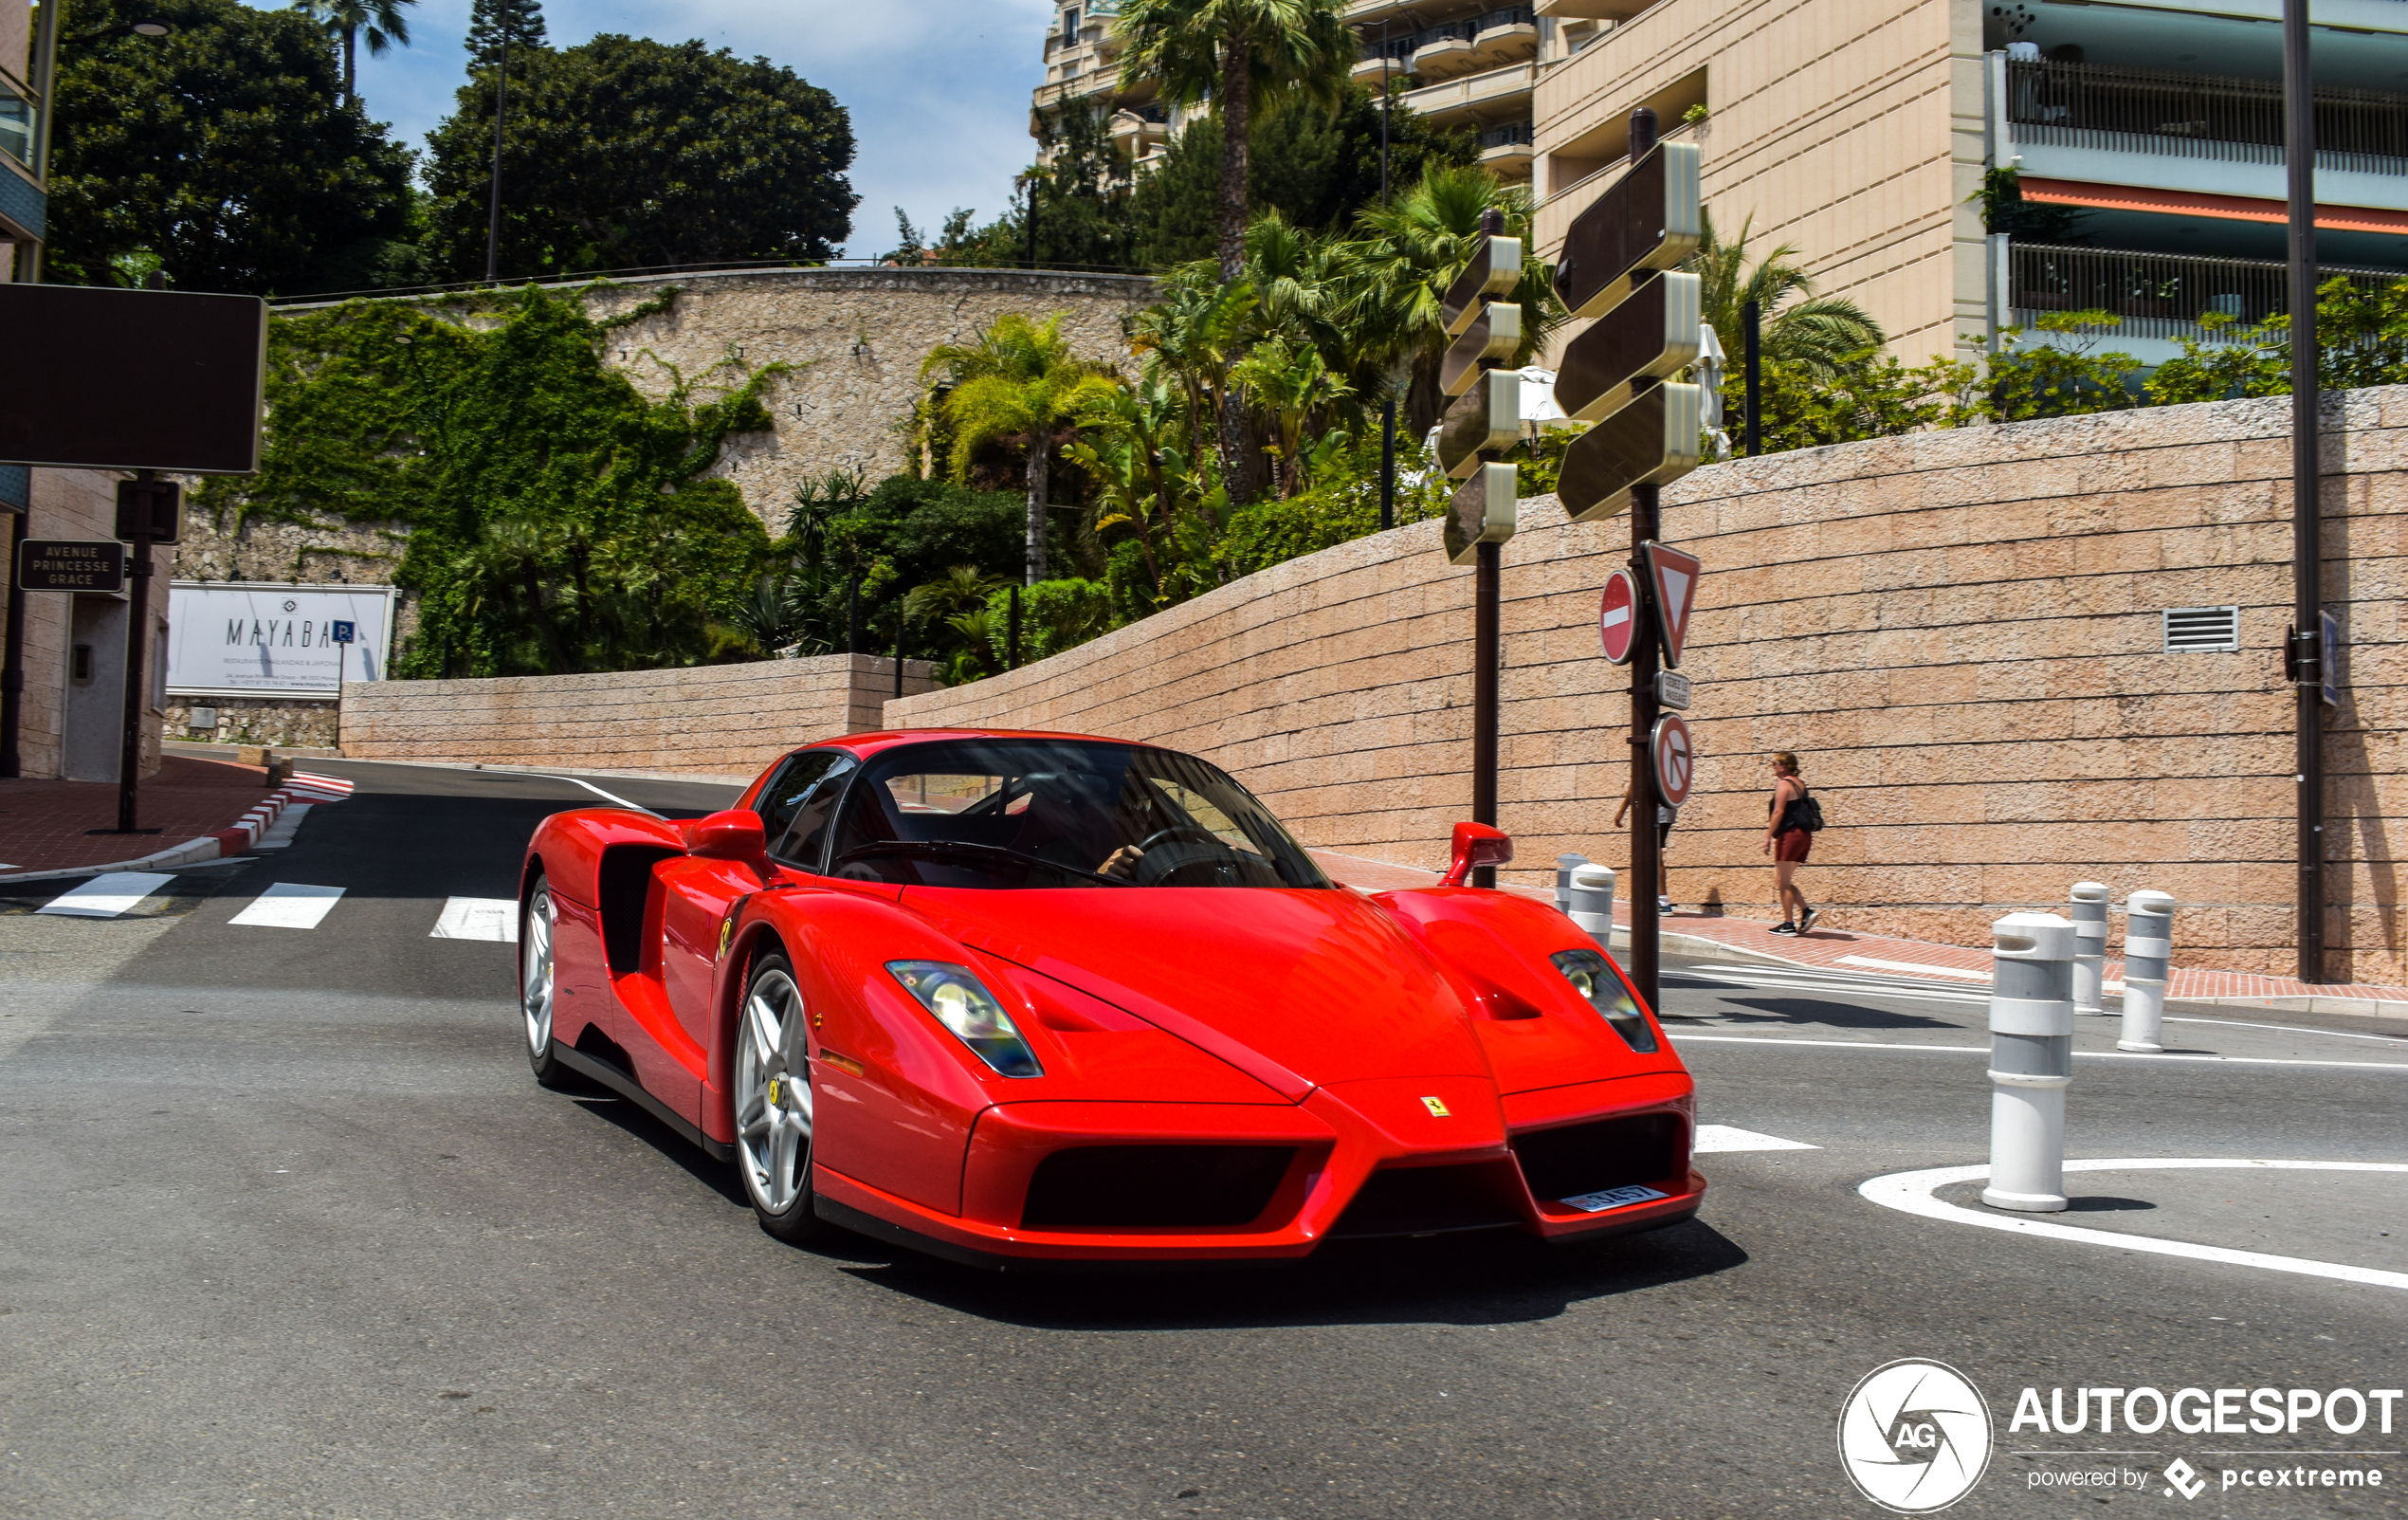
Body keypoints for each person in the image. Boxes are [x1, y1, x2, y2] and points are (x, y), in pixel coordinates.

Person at [1762, 751, 1815, 935]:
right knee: (1784, 880)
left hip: (1790, 836)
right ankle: (1807, 911)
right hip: (1804, 836)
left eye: (1775, 764)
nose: (1773, 767)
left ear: (1783, 766)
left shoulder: (1783, 784)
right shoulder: (1800, 784)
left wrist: (1768, 836)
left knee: (1783, 883)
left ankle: (1788, 924)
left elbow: (1778, 812)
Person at [1614, 779, 1675, 914]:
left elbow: (1634, 786)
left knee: (1655, 854)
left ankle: (1663, 902)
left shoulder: (1646, 758)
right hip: (1667, 810)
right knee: (1652, 853)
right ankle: (1656, 898)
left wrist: (1621, 811)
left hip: (1656, 811)